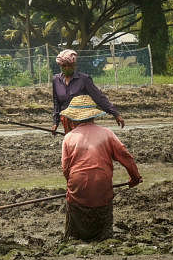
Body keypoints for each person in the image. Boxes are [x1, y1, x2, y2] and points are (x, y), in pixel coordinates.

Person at [60, 95, 142, 241]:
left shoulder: (69, 137)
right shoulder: (107, 133)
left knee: (73, 204)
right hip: (102, 185)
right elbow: (126, 157)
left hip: (77, 185)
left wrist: (71, 187)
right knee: (103, 206)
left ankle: (74, 235)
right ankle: (103, 234)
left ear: (74, 119)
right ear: (93, 116)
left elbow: (66, 168)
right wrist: (135, 178)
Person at [51, 48, 125, 134]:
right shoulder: (56, 80)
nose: (67, 68)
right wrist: (55, 123)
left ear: (74, 65)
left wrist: (115, 114)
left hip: (83, 120)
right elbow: (56, 103)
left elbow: (99, 97)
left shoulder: (84, 79)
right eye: (64, 66)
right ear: (60, 66)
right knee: (72, 143)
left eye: (70, 65)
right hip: (66, 120)